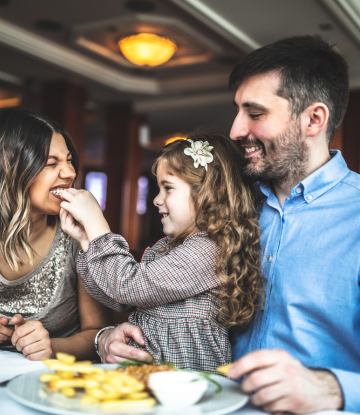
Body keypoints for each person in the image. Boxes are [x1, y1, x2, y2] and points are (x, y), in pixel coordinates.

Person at [95, 35, 360, 414]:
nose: (236, 130)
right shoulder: (227, 206)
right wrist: (108, 338)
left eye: (255, 114)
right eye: (237, 111)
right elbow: (168, 305)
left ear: (313, 119)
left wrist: (331, 388)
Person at [59, 131, 263, 371]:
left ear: (206, 194)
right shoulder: (167, 247)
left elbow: (128, 287)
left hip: (185, 385)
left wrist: (98, 227)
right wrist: (87, 242)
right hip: (152, 376)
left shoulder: (208, 250)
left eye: (168, 188)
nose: (157, 199)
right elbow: (118, 299)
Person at [0, 108, 111, 361]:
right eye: (52, 163)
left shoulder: (78, 233)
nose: (70, 173)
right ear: (11, 171)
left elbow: (99, 333)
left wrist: (51, 348)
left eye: (69, 160)